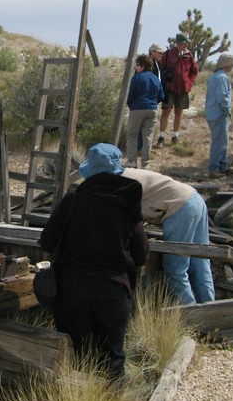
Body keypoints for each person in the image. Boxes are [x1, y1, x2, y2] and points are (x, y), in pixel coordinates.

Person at [39, 144, 148, 380]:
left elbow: (47, 241)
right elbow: (142, 255)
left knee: (76, 355)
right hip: (113, 291)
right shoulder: (128, 206)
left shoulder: (73, 201)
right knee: (113, 357)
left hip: (71, 290)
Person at [121, 166, 215, 306]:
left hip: (179, 208)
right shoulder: (129, 173)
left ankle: (191, 313)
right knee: (200, 262)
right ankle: (211, 310)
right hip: (193, 198)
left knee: (175, 268)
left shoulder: (121, 184)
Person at [157, 34, 198, 146]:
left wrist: (189, 84)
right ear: (179, 43)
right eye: (184, 43)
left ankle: (175, 136)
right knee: (166, 111)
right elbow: (161, 69)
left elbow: (194, 71)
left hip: (183, 88)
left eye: (186, 43)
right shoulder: (168, 54)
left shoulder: (188, 55)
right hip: (170, 88)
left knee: (178, 112)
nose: (186, 45)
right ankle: (161, 136)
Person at [125, 54, 164, 168]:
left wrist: (131, 104)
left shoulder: (137, 78)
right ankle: (145, 164)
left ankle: (132, 161)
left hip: (137, 109)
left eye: (137, 65)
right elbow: (161, 95)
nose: (135, 68)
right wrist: (152, 103)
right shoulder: (155, 79)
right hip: (152, 109)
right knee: (147, 137)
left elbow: (130, 95)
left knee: (132, 135)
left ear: (142, 65)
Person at [205, 53, 233, 177]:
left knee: (222, 141)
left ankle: (222, 167)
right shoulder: (222, 77)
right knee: (220, 142)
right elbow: (223, 97)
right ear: (228, 63)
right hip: (219, 114)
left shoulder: (215, 76)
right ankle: (214, 168)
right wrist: (228, 110)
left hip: (212, 113)